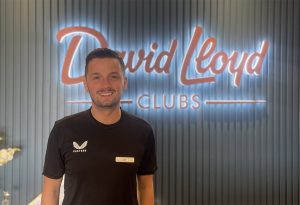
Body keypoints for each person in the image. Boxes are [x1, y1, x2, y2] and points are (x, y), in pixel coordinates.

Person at [41, 48, 157, 205]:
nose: (105, 85)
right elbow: (51, 190)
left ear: (125, 82)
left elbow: (145, 187)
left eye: (113, 77)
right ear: (86, 84)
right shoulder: (63, 130)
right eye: (96, 77)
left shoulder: (143, 131)